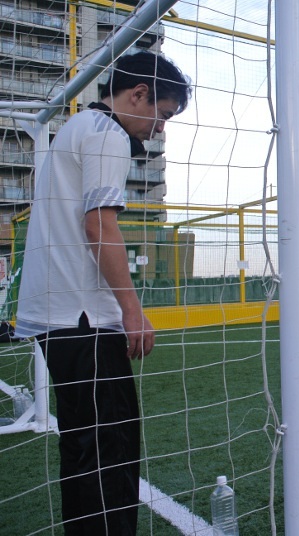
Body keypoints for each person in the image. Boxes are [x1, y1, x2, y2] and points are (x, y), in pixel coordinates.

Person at [14, 51, 192, 535]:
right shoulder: (107, 135)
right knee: (109, 455)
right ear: (138, 94)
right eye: (163, 113)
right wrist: (131, 311)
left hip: (57, 319)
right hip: (83, 321)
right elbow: (99, 226)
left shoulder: (77, 129)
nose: (159, 129)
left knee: (81, 449)